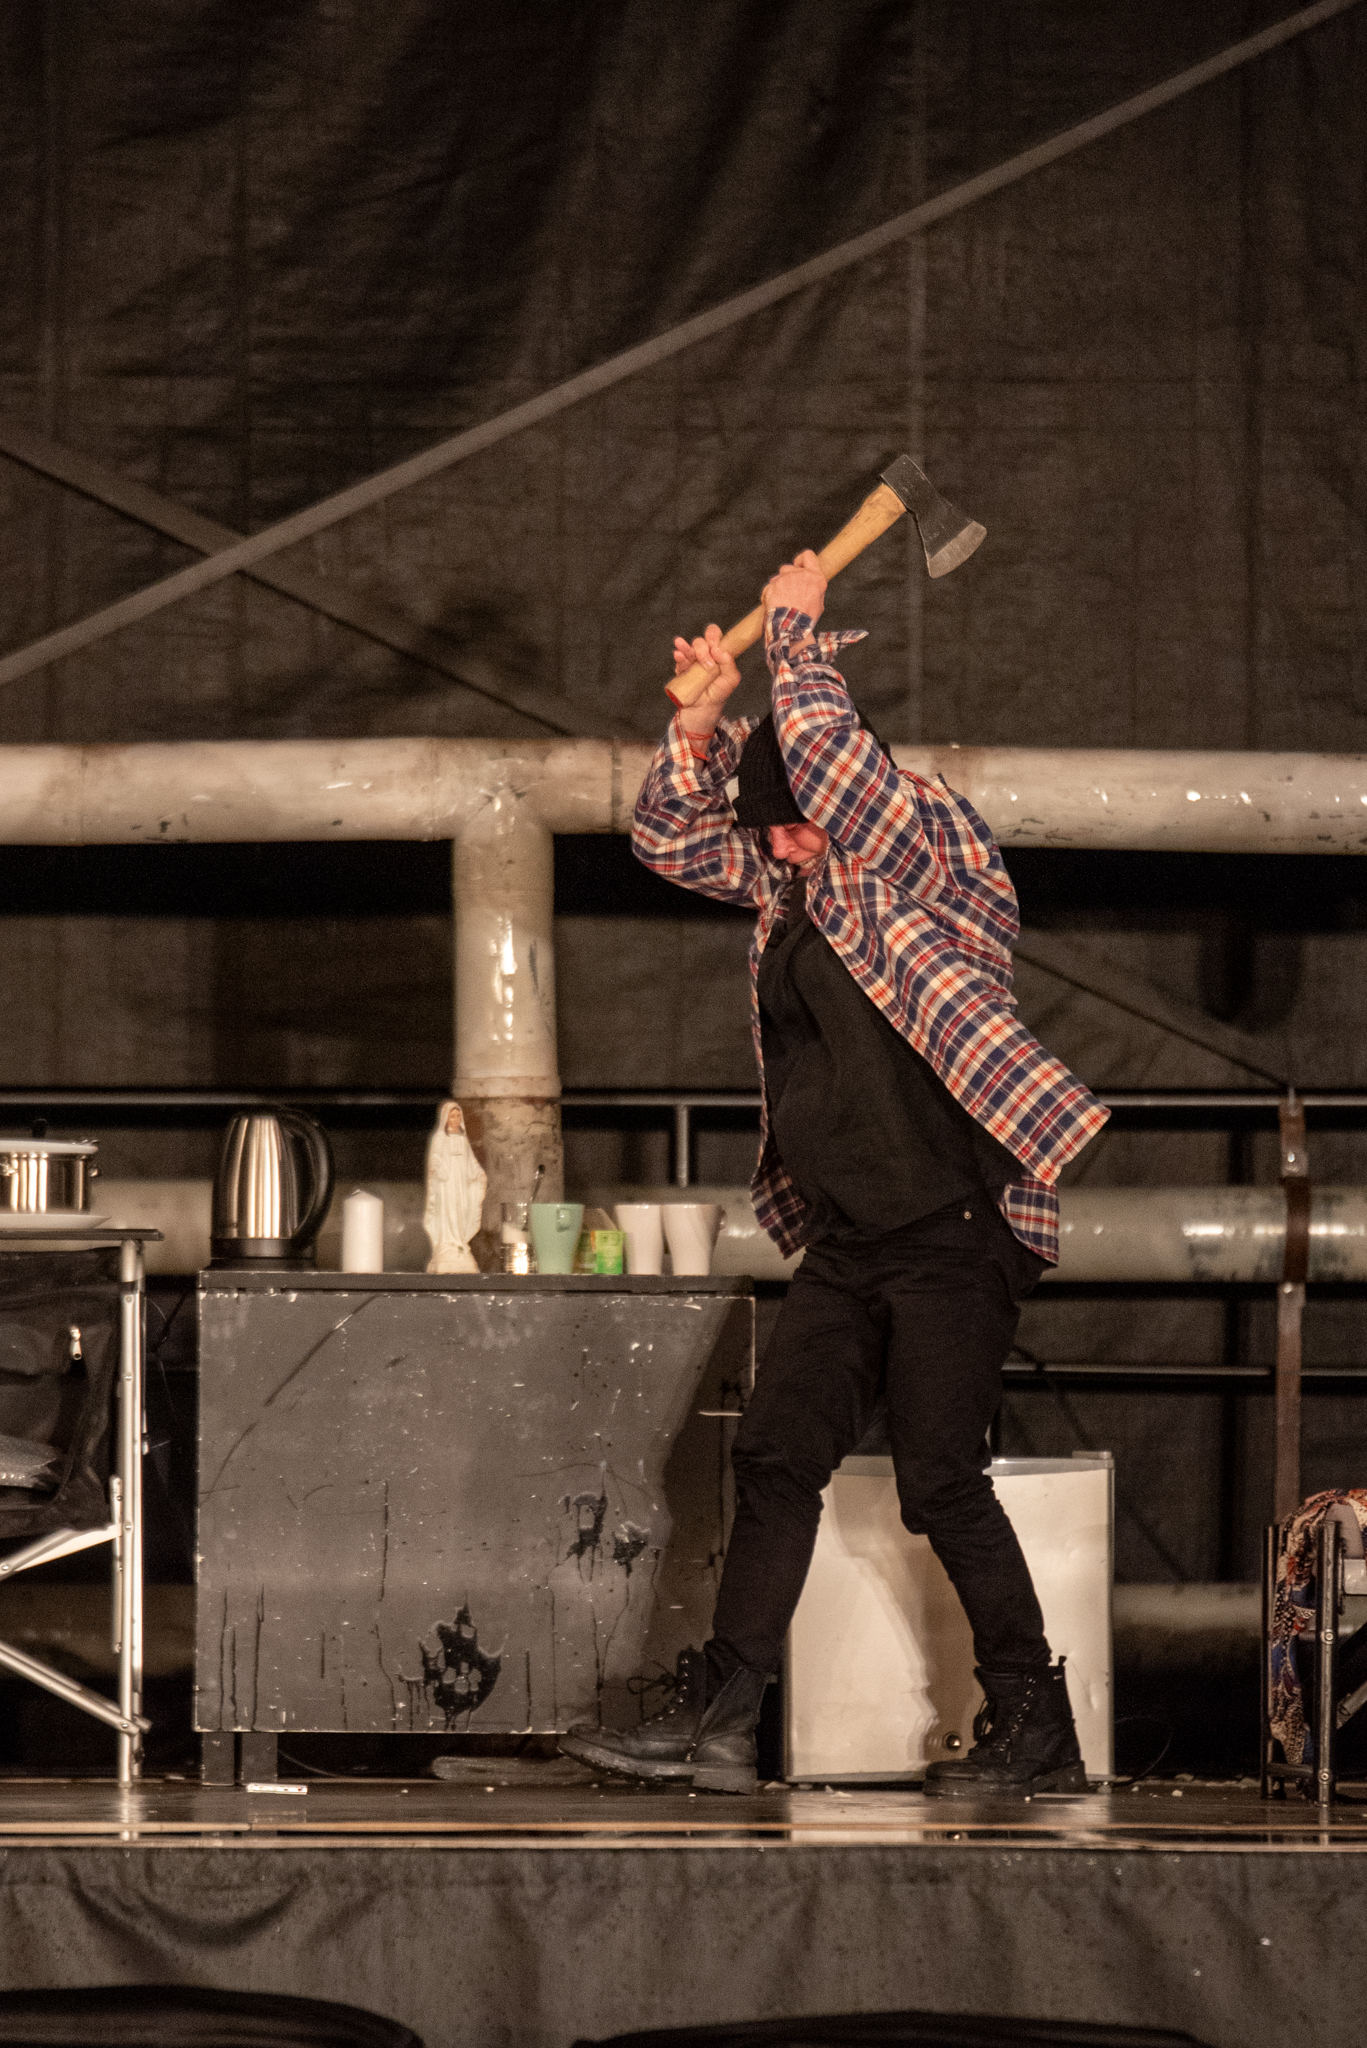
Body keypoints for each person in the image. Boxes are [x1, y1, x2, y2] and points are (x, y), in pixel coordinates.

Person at [560, 548, 1109, 1798]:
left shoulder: (922, 849)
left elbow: (839, 773)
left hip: (956, 1223)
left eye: (798, 818)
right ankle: (718, 1715)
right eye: (773, 826)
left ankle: (1037, 1722)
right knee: (773, 1455)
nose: (786, 840)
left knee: (938, 1478)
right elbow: (666, 838)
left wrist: (795, 637)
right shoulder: (792, 880)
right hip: (852, 1237)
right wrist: (696, 724)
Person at [423, 1100, 487, 1273]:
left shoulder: (462, 1138)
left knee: (461, 1210)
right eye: (452, 1116)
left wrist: (478, 1173)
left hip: (461, 1183)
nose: (456, 1119)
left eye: (458, 1116)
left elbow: (470, 1161)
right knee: (448, 1210)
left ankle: (458, 1242)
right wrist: (438, 1168)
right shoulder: (440, 1138)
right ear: (446, 1118)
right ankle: (447, 1244)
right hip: (446, 1183)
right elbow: (435, 1159)